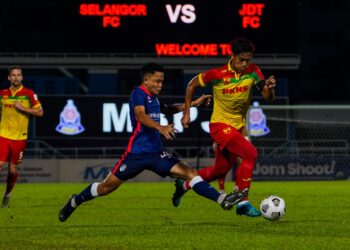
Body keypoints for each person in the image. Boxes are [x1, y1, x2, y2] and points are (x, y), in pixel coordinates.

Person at [59, 63, 248, 222]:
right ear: (146, 80)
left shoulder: (154, 98)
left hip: (157, 154)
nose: (160, 84)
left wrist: (194, 103)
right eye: (157, 81)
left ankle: (222, 199)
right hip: (136, 155)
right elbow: (140, 116)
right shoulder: (138, 94)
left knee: (190, 172)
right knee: (105, 188)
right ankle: (75, 201)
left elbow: (169, 108)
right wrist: (160, 128)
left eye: (162, 81)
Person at [172, 37, 276, 217]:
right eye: (241, 60)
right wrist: (186, 112)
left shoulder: (253, 72)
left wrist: (270, 87)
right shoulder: (217, 74)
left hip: (238, 129)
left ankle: (185, 184)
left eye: (248, 60)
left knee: (218, 171)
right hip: (220, 126)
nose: (244, 64)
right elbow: (192, 85)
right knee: (251, 154)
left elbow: (268, 97)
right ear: (232, 55)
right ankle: (243, 203)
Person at [0, 66, 44, 208]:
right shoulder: (2, 94)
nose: (16, 77)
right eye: (13, 75)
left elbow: (40, 112)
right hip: (3, 136)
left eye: (18, 75)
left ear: (22, 77)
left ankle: (7, 195)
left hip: (19, 138)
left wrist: (23, 108)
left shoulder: (29, 94)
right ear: (9, 77)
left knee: (12, 171)